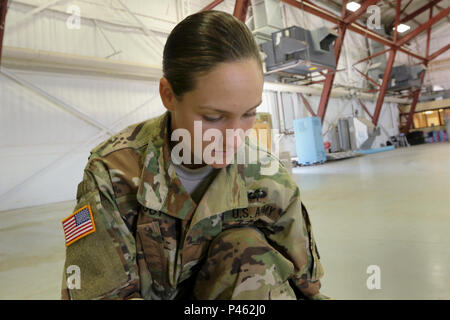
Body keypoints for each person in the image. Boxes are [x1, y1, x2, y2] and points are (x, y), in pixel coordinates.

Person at [61, 10, 326, 300]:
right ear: (168, 94)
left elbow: (307, 288)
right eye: (214, 117)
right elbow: (99, 295)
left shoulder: (268, 179)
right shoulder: (112, 174)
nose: (235, 136)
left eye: (249, 113)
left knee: (246, 249)